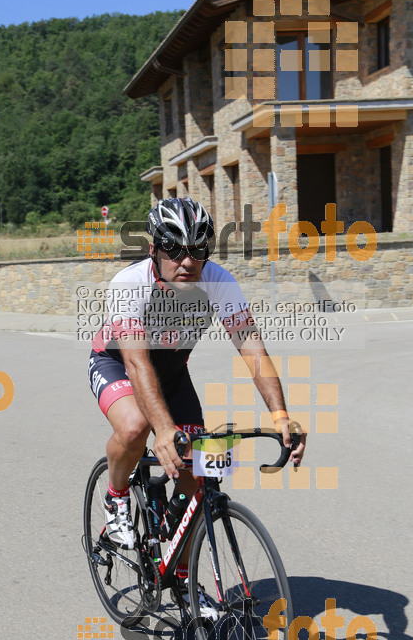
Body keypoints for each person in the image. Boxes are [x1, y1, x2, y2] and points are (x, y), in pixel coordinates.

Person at [88, 197, 306, 617]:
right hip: (118, 363)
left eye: (198, 250)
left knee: (204, 467)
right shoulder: (129, 284)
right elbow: (136, 362)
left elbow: (251, 348)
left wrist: (280, 416)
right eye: (174, 249)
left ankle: (182, 574)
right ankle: (116, 496)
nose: (187, 260)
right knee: (135, 426)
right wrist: (163, 430)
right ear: (154, 249)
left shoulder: (219, 282)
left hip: (170, 375)